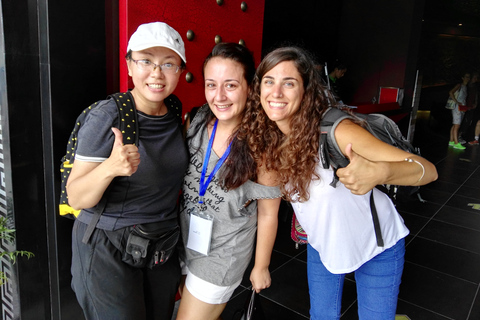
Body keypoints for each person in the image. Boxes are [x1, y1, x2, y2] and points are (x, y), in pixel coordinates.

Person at [244, 46, 438, 319]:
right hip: (323, 244)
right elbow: (268, 211)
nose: (276, 93)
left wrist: (379, 173)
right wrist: (261, 266)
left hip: (378, 244)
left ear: (306, 90)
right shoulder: (269, 143)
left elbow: (428, 171)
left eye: (289, 83)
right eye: (269, 81)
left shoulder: (336, 131)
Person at [66, 22, 188, 320]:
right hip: (108, 247)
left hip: (160, 244)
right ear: (130, 65)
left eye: (168, 64)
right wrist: (109, 168)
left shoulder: (174, 110)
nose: (157, 73)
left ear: (180, 71)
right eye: (146, 60)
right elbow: (76, 197)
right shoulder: (107, 115)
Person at [176, 43, 281, 320]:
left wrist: (261, 265)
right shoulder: (197, 122)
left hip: (223, 255)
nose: (219, 96)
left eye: (231, 85)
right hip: (185, 242)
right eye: (211, 84)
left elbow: (268, 212)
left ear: (250, 88)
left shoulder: (262, 145)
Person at [448, 72, 471, 149]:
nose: (468, 79)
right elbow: (451, 92)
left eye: (469, 77)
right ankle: (456, 143)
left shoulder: (465, 87)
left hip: (461, 107)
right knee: (457, 125)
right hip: (457, 107)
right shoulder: (459, 85)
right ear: (463, 78)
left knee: (455, 124)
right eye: (466, 77)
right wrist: (456, 101)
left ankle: (451, 141)